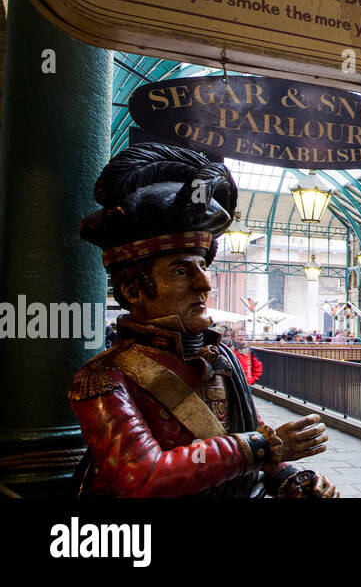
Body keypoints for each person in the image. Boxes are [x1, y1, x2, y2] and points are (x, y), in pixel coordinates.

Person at [70, 143, 336, 498]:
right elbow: (143, 476)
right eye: (181, 271)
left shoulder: (218, 358)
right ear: (133, 289)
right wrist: (263, 447)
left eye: (203, 267)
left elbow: (240, 428)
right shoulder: (102, 378)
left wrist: (289, 476)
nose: (204, 283)